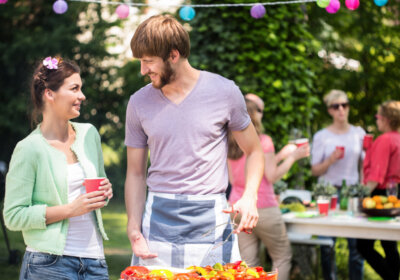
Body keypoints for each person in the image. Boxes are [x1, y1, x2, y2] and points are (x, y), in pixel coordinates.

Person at [124, 15, 264, 267]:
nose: (143, 70)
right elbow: (135, 173)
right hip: (158, 216)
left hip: (211, 216)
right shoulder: (138, 102)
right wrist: (134, 227)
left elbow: (254, 150)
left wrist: (250, 196)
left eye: (148, 62)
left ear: (173, 55)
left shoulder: (225, 92)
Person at [3, 57, 113, 280]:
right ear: (49, 93)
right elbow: (13, 216)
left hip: (95, 263)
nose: (82, 96)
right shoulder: (29, 149)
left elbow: (95, 196)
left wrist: (105, 192)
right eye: (74, 88)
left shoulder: (89, 134)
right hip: (48, 263)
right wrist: (70, 210)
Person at [227, 94, 310, 280]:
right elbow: (271, 176)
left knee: (249, 263)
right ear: (254, 116)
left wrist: (279, 156)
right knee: (282, 256)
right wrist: (293, 157)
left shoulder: (231, 141)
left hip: (237, 207)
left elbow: (235, 178)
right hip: (262, 207)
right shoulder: (263, 140)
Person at [311, 90, 365, 280]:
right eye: (336, 106)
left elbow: (365, 166)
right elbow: (315, 170)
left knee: (357, 248)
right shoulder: (322, 136)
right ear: (330, 111)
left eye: (345, 105)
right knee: (327, 245)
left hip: (352, 191)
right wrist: (330, 160)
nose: (341, 109)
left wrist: (365, 190)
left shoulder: (359, 133)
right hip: (328, 192)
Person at [357, 100, 400, 280]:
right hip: (395, 195)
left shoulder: (385, 139)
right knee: (389, 244)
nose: (376, 121)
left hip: (382, 196)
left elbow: (376, 175)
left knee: (363, 245)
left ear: (386, 119)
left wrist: (361, 195)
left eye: (378, 117)